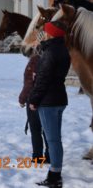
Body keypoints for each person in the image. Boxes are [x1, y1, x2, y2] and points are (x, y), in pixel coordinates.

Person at [29, 21, 70, 188]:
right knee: (55, 139)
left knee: (52, 140)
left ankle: (54, 177)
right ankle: (55, 173)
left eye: (45, 32)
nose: (43, 34)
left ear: (51, 34)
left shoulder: (50, 52)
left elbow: (43, 80)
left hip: (48, 101)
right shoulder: (63, 50)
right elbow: (52, 75)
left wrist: (34, 100)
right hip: (60, 98)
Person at [18, 53, 50, 163]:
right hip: (50, 100)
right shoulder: (53, 58)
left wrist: (22, 98)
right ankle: (49, 155)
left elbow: (29, 83)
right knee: (48, 130)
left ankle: (37, 157)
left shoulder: (35, 60)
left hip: (34, 100)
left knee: (36, 130)